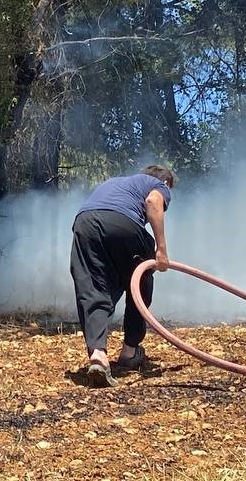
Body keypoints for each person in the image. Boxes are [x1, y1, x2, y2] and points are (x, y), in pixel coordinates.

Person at [70, 164, 176, 388]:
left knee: (94, 287)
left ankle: (98, 354)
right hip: (122, 222)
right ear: (165, 183)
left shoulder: (115, 182)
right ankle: (129, 351)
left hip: (84, 223)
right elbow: (153, 202)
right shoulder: (159, 185)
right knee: (141, 279)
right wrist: (161, 250)